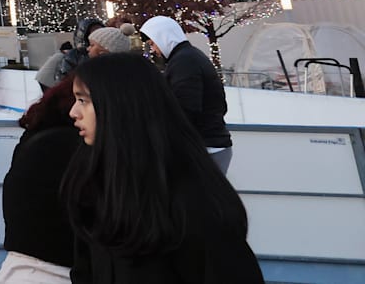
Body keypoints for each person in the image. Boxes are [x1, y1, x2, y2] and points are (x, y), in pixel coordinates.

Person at [63, 53, 263, 282]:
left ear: (121, 104)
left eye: (83, 100)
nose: (73, 113)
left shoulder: (191, 200)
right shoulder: (94, 183)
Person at [0, 75, 80, 283]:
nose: (77, 112)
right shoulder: (67, 146)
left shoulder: (38, 137)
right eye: (81, 100)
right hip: (51, 270)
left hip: (22, 268)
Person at [140, 16, 233, 172]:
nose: (154, 50)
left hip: (205, 146)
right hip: (209, 143)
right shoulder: (189, 56)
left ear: (164, 37)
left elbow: (185, 108)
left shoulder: (184, 62)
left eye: (153, 43)